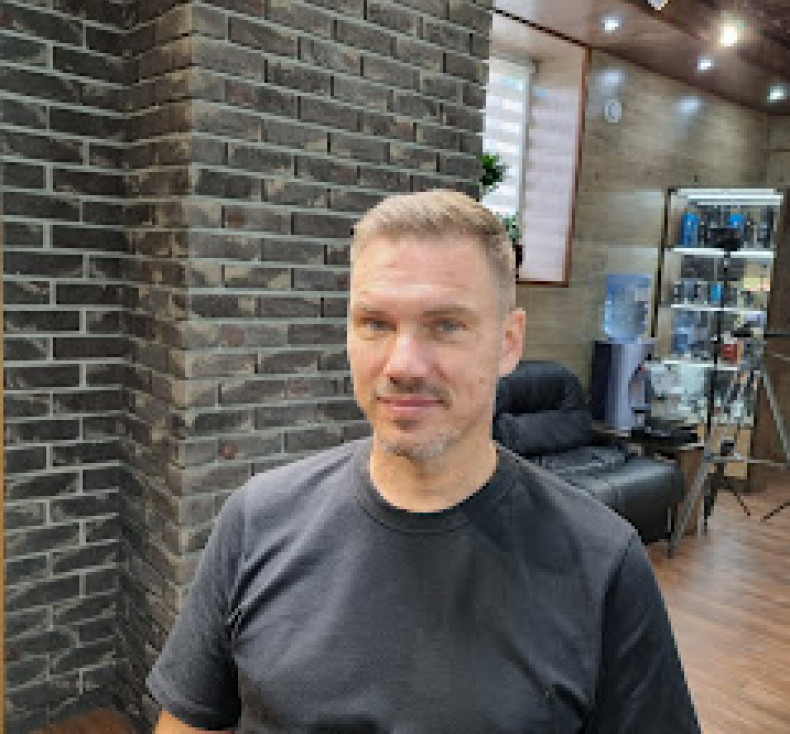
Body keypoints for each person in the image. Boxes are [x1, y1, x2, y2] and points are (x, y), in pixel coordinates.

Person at [148, 190, 700, 733]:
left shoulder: (602, 563)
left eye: (446, 325)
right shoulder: (257, 520)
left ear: (509, 342)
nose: (403, 365)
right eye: (376, 323)